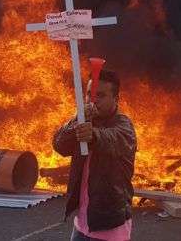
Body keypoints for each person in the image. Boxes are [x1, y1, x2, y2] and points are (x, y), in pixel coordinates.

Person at [53, 70, 137, 241]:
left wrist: (93, 135)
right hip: (82, 225)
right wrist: (77, 119)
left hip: (110, 228)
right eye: (89, 94)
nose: (92, 100)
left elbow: (112, 138)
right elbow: (59, 145)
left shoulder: (124, 126)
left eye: (100, 95)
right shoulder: (84, 120)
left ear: (116, 99)